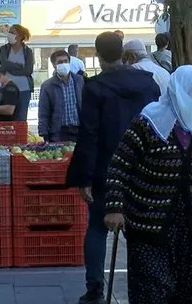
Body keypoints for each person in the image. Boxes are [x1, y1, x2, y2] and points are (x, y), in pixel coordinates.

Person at [103, 65, 192, 304]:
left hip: (188, 223)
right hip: (148, 221)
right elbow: (120, 165)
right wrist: (115, 208)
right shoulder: (150, 122)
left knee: (185, 290)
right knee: (152, 289)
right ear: (183, 91)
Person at [65, 31, 162, 304]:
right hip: (144, 169)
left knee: (97, 227)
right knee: (141, 232)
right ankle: (144, 285)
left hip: (106, 169)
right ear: (122, 53)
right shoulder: (148, 84)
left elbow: (89, 135)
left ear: (98, 54)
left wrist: (84, 177)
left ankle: (95, 287)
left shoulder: (95, 87)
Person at [38, 50, 84, 143]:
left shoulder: (80, 81)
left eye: (65, 61)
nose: (63, 64)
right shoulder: (47, 86)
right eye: (60, 62)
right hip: (58, 132)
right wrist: (44, 133)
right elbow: (43, 111)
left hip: (79, 130)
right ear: (54, 65)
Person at [0, 24, 34, 121]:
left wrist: (12, 69)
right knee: (8, 116)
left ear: (20, 36)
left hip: (24, 89)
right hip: (8, 88)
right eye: (9, 32)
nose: (9, 34)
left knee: (21, 117)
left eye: (12, 33)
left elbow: (28, 70)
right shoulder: (4, 49)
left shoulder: (28, 51)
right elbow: (4, 64)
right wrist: (19, 67)